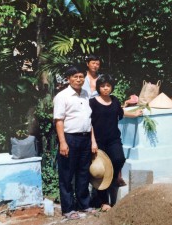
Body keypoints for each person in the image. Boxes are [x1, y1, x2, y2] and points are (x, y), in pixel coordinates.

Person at [89, 74, 143, 211]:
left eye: (108, 85)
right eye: (102, 86)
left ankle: (111, 181)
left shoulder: (114, 100)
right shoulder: (92, 103)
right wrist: (93, 142)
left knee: (119, 159)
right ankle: (104, 202)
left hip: (113, 139)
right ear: (98, 87)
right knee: (101, 170)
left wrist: (135, 114)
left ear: (111, 87)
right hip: (98, 141)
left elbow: (121, 112)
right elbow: (88, 123)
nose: (105, 88)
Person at [53, 65, 97, 220]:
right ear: (68, 79)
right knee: (66, 174)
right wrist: (63, 142)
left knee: (83, 173)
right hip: (70, 138)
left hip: (85, 138)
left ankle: (84, 204)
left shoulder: (86, 95)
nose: (78, 79)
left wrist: (92, 141)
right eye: (75, 77)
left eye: (80, 76)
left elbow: (89, 120)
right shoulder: (62, 96)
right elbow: (59, 121)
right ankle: (68, 208)